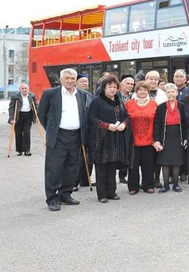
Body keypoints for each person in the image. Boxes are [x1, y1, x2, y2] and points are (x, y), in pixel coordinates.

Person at [39, 68, 89, 211]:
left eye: (72, 78)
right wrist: (52, 130)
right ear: (61, 79)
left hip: (76, 135)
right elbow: (42, 115)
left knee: (72, 167)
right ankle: (52, 199)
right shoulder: (51, 94)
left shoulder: (82, 95)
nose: (70, 81)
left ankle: (65, 195)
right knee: (54, 169)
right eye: (67, 78)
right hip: (58, 136)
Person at [88, 75, 132, 203]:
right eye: (110, 87)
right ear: (104, 88)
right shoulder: (97, 101)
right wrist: (107, 126)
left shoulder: (119, 101)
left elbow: (126, 116)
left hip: (116, 138)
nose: (112, 89)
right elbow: (92, 119)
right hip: (101, 139)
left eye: (114, 87)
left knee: (112, 167)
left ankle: (111, 192)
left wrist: (124, 124)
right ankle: (102, 194)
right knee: (101, 167)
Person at [125, 81, 158, 195]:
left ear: (148, 91)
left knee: (148, 165)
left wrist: (156, 139)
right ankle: (133, 187)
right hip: (133, 141)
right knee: (133, 166)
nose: (142, 92)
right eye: (140, 89)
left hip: (149, 141)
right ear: (136, 91)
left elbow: (157, 123)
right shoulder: (128, 104)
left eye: (145, 89)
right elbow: (125, 120)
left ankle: (148, 185)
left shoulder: (154, 104)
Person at [154, 83, 188, 193]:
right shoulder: (161, 107)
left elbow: (186, 123)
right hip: (165, 136)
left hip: (178, 136)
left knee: (176, 161)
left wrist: (186, 138)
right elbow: (157, 124)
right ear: (166, 94)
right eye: (168, 92)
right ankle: (166, 185)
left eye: (173, 91)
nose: (171, 94)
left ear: (177, 93)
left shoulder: (182, 106)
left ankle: (176, 184)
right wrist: (157, 140)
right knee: (165, 162)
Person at [173, 68, 189, 182]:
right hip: (172, 124)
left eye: (181, 77)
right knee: (173, 148)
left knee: (185, 149)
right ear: (173, 78)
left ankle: (184, 172)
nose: (179, 78)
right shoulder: (169, 90)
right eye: (177, 76)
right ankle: (172, 172)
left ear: (185, 79)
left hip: (186, 124)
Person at [8, 83, 38, 156]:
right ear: (20, 89)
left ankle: (27, 150)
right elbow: (11, 108)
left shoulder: (32, 96)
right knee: (18, 133)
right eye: (23, 88)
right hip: (18, 116)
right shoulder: (15, 97)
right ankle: (19, 150)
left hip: (28, 116)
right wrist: (12, 118)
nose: (24, 90)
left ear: (28, 89)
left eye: (25, 88)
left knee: (27, 133)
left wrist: (37, 115)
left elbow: (36, 106)